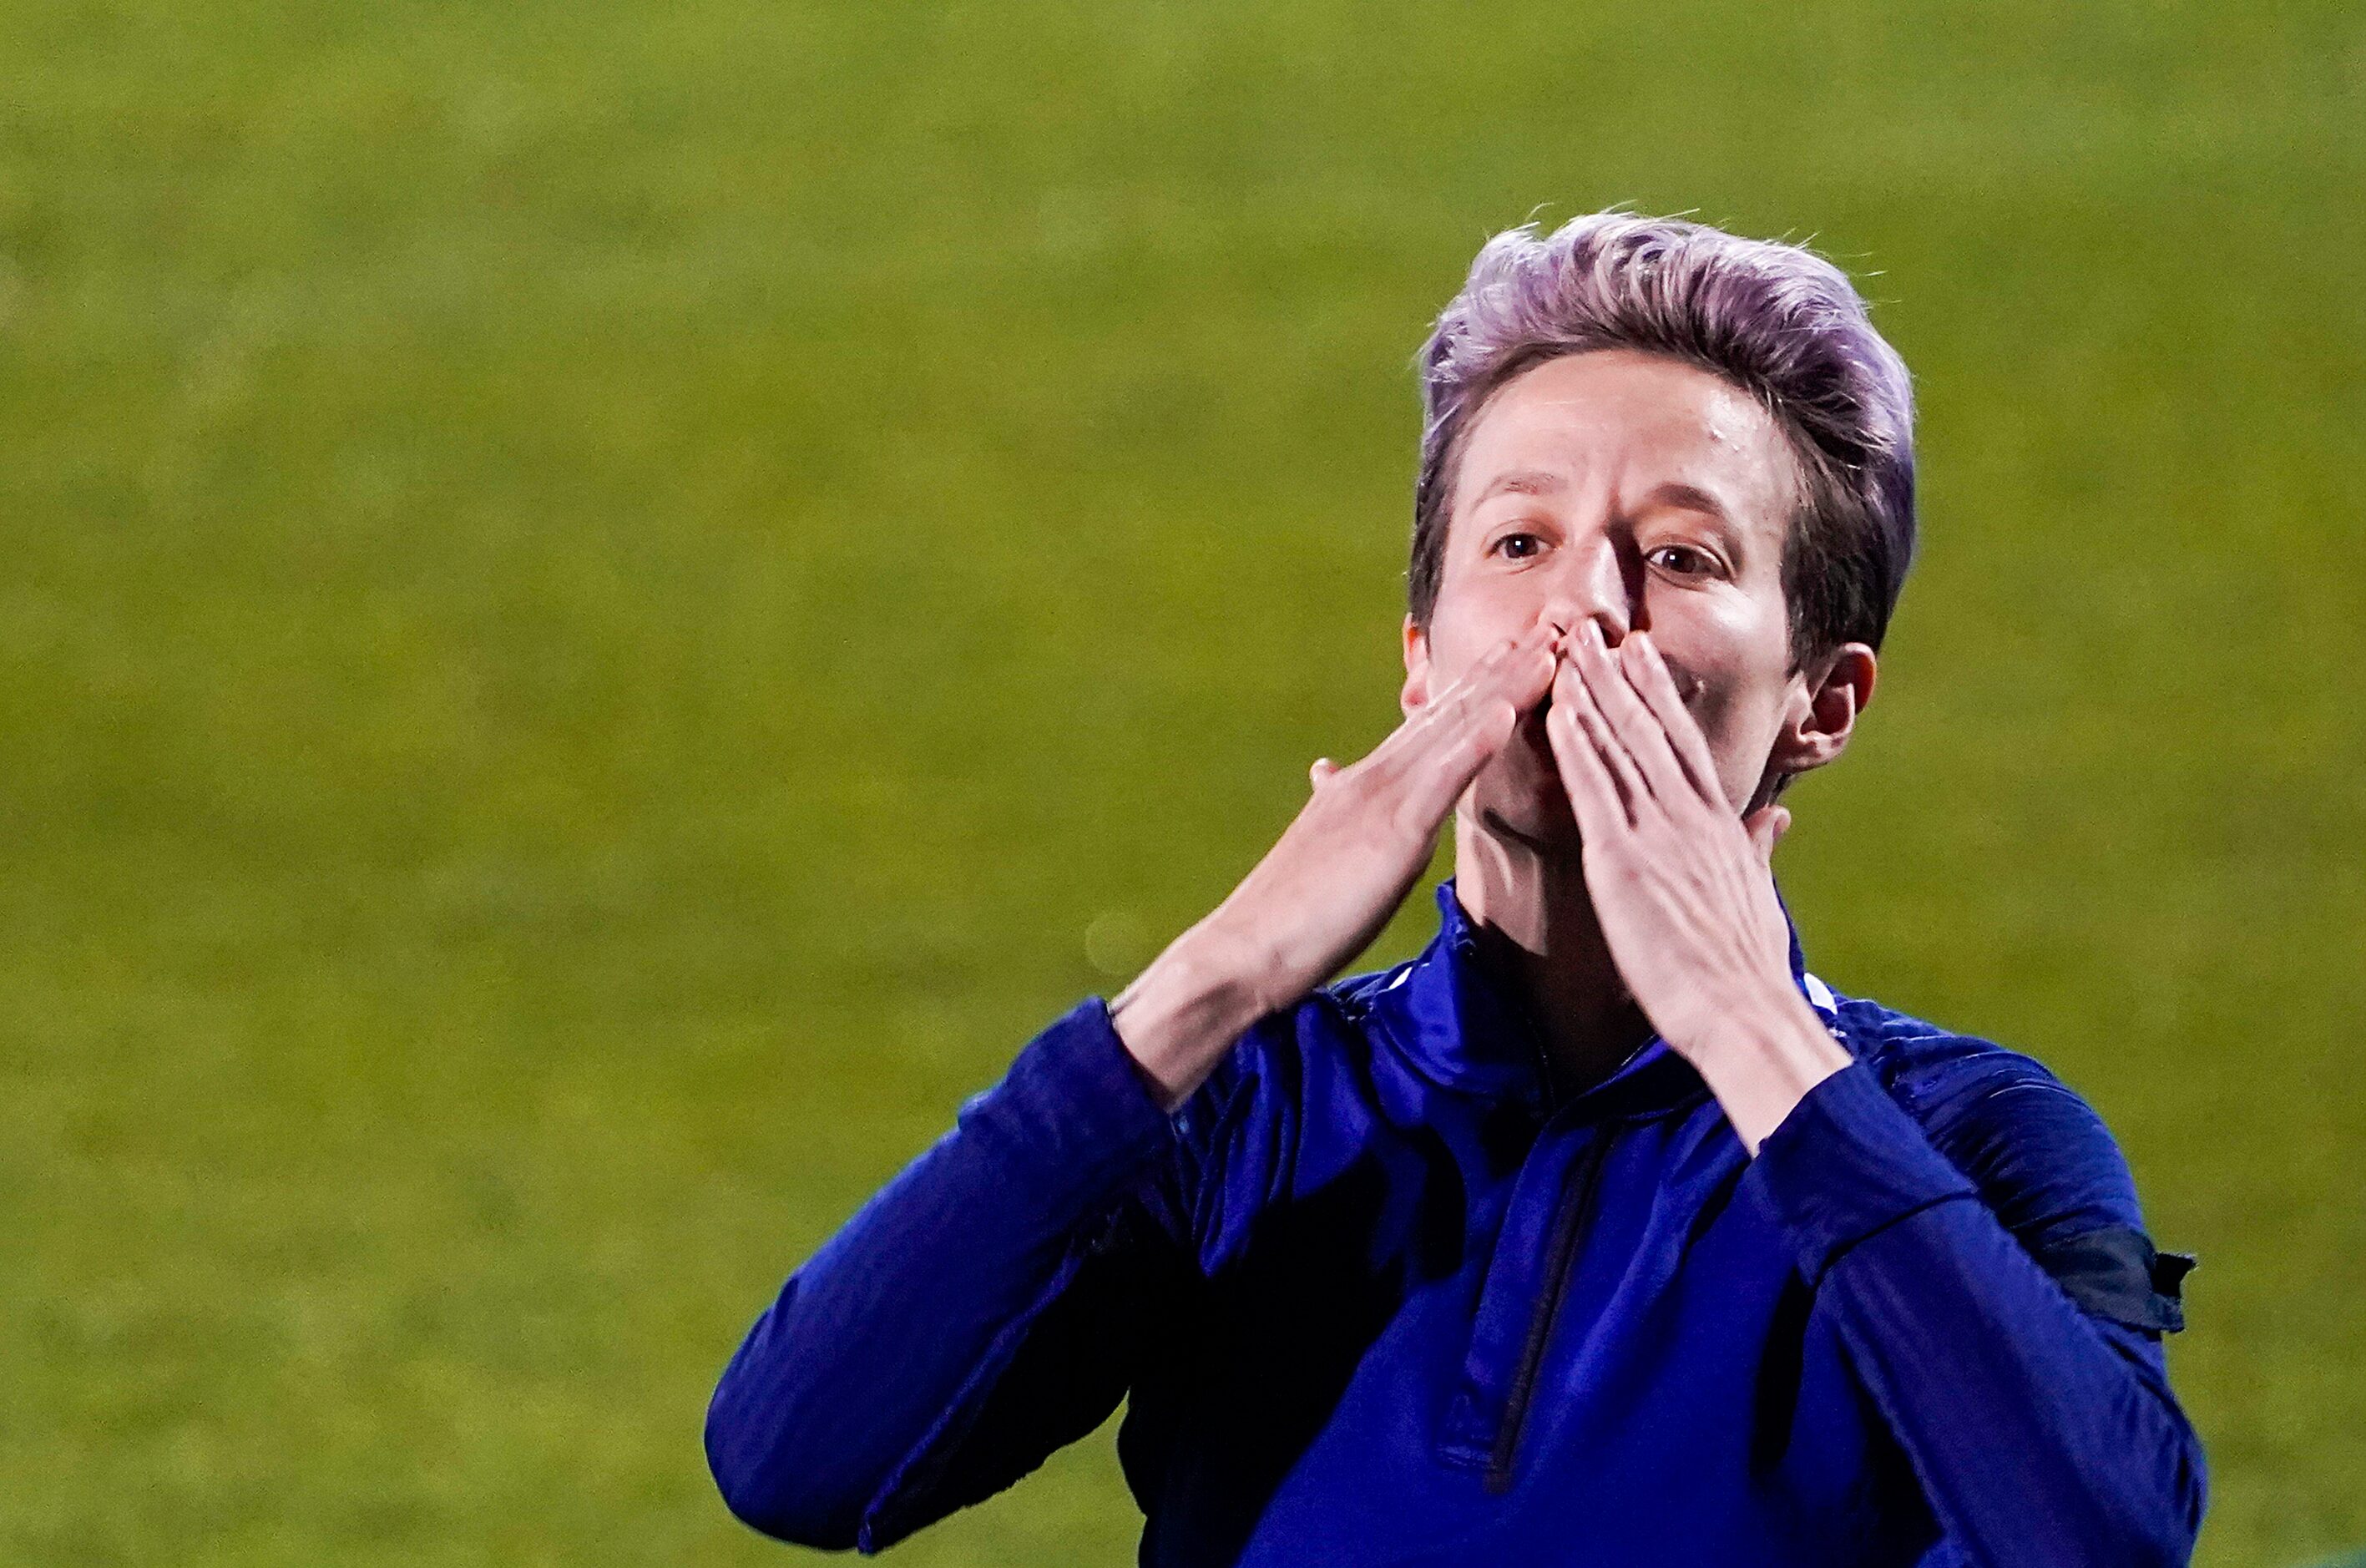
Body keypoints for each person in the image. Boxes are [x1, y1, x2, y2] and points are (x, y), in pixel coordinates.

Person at [702, 211, 2206, 1565]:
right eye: (1519, 540)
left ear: (1823, 700)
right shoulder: (1251, 1110)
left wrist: (1753, 1034)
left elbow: (2098, 1540)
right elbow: (798, 1460)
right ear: (1421, 654)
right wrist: (1215, 977)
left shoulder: (1973, 1141)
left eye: (1679, 555)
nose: (1584, 609)